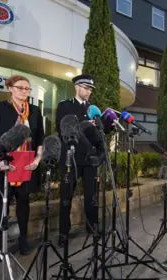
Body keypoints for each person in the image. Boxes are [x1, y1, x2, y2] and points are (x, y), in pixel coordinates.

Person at [0, 74, 45, 256]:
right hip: (3, 163)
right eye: (20, 87)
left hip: (27, 164)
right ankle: (1, 245)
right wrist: (0, 161)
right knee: (2, 204)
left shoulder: (34, 111)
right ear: (10, 88)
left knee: (23, 203)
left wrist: (37, 160)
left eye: (27, 88)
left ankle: (23, 240)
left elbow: (40, 138)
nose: (24, 91)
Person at [56, 74, 105, 248]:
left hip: (90, 159)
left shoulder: (92, 109)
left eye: (90, 89)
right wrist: (85, 124)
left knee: (92, 196)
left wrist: (105, 126)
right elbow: (61, 128)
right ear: (76, 87)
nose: (88, 92)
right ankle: (63, 232)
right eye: (86, 88)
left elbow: (99, 135)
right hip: (71, 158)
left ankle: (92, 226)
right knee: (66, 197)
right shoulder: (65, 106)